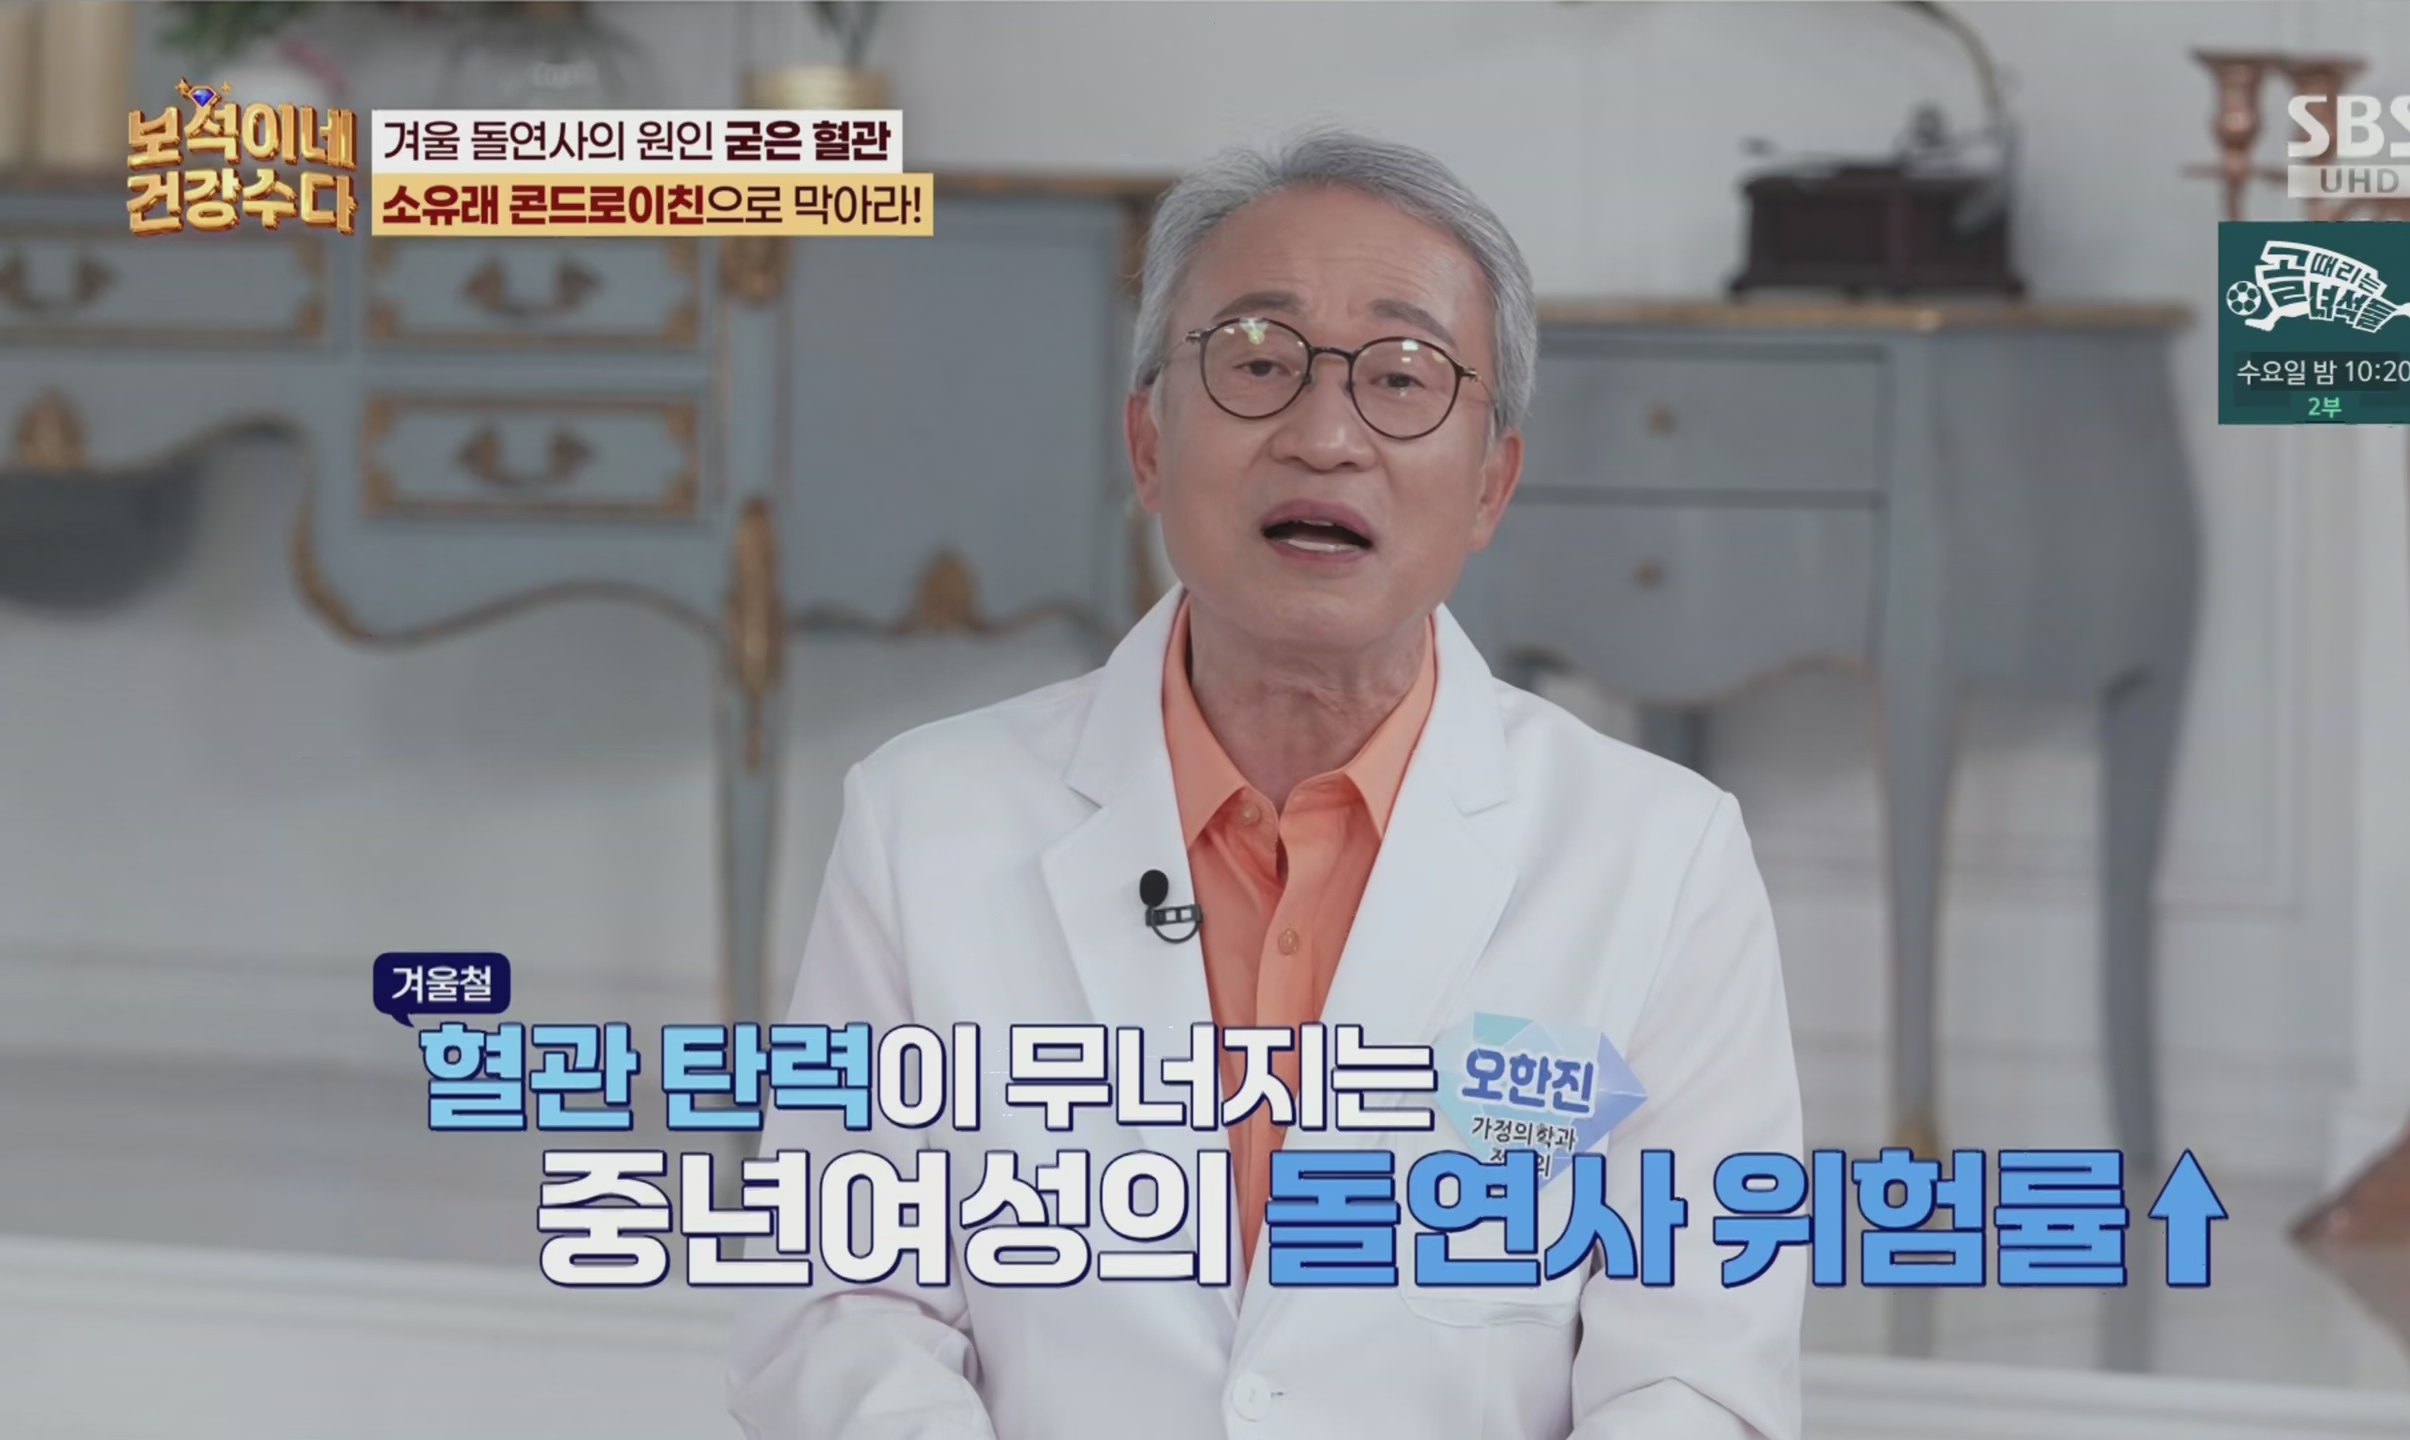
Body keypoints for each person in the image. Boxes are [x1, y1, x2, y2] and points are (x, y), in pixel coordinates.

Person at [729, 127, 1804, 1440]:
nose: (1325, 435)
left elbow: (1694, 1371)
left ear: (1490, 485)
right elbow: (840, 1305)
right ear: (1147, 444)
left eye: (1403, 377)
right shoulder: (924, 822)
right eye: (1256, 361)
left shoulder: (1659, 856)